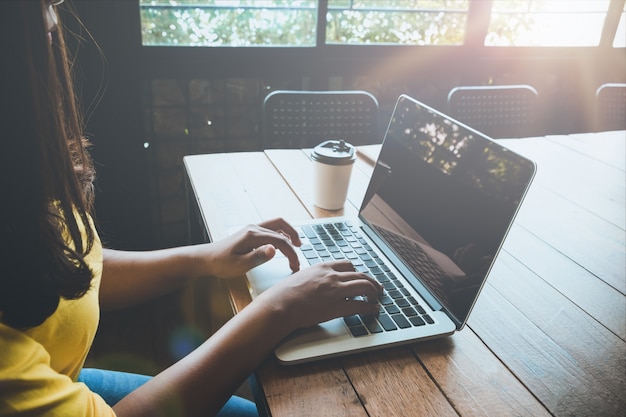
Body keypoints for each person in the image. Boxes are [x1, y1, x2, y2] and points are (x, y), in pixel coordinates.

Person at [0, 1, 382, 416]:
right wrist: (277, 310)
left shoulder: (16, 178)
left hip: (60, 378)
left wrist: (204, 258)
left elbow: (67, 270)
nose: (52, 12)